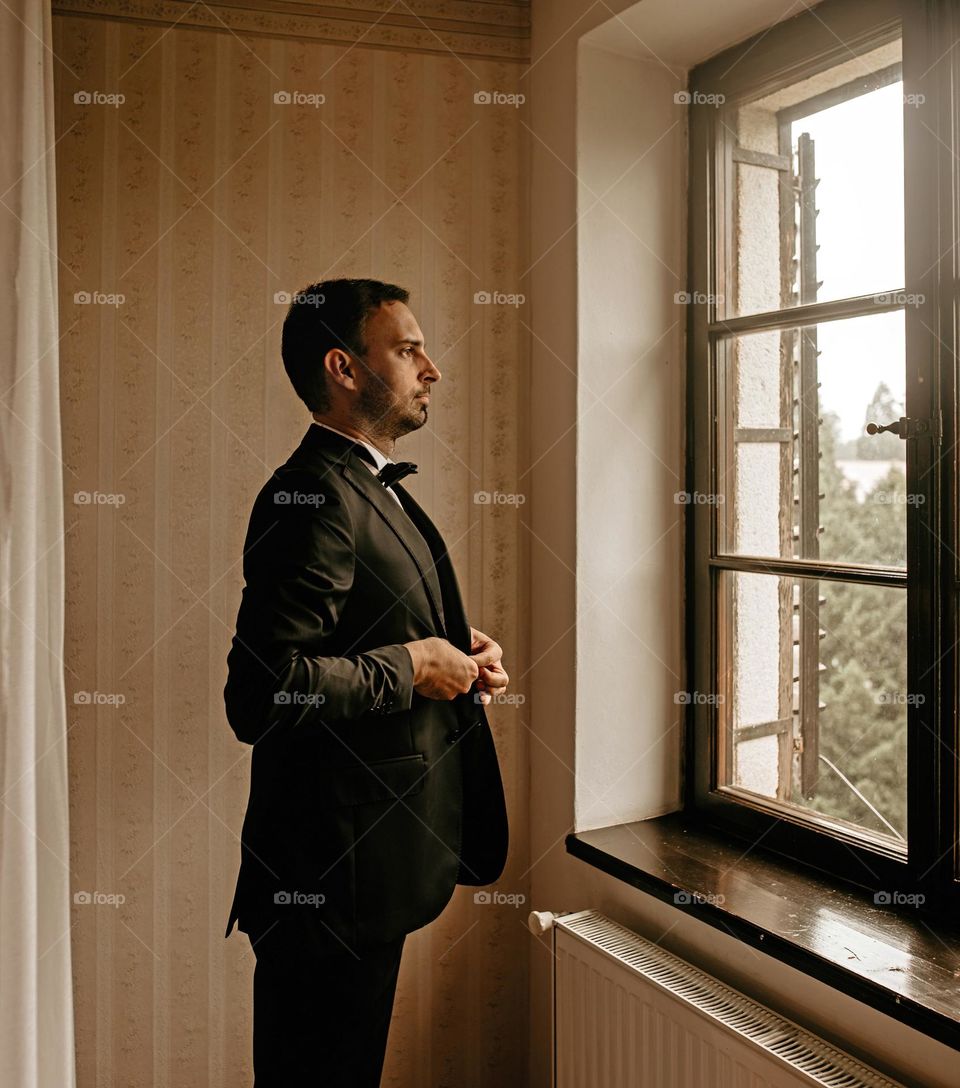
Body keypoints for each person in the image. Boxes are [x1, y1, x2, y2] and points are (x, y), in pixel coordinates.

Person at [222, 278, 510, 1087]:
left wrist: (457, 655)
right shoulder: (312, 494)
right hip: (328, 886)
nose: (432, 369)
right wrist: (413, 666)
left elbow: (363, 637)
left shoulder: (363, 485)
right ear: (343, 368)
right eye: (408, 349)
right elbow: (263, 692)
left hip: (369, 874)